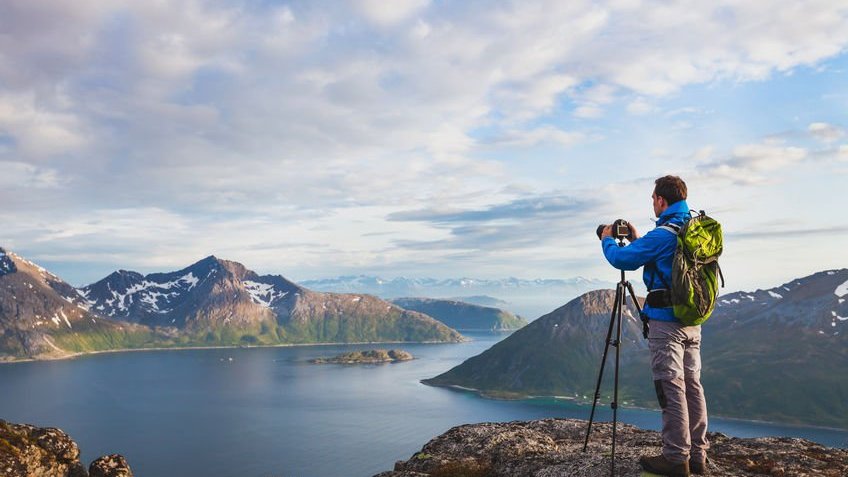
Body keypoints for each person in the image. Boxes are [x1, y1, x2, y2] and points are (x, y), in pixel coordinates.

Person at [598, 175, 708, 477]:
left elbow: (622, 259)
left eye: (653, 198)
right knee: (692, 386)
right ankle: (697, 456)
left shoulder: (663, 235)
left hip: (666, 323)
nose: (653, 203)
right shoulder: (694, 228)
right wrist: (638, 239)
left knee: (670, 387)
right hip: (692, 322)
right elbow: (663, 261)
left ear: (661, 200)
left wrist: (608, 237)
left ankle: (675, 459)